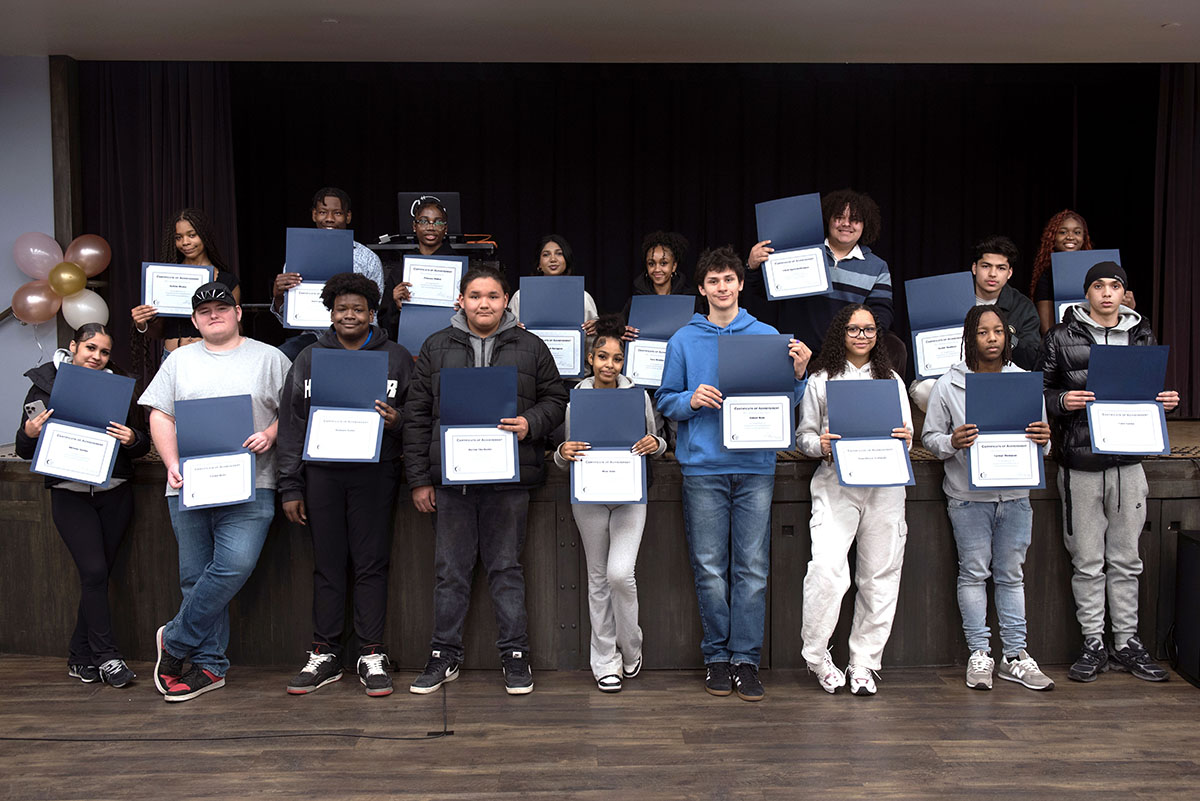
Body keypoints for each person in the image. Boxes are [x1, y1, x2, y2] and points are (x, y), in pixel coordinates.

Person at [656, 246, 811, 702]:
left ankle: (745, 659)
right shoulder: (683, 340)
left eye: (729, 280)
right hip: (703, 467)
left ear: (741, 284)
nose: (722, 288)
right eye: (714, 281)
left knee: (753, 568)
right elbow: (664, 399)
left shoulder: (767, 335)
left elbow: (786, 402)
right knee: (709, 569)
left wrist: (800, 373)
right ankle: (716, 658)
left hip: (755, 467)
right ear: (701, 288)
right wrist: (690, 400)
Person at [403, 266, 567, 695]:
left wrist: (530, 422)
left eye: (493, 296)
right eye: (475, 295)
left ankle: (515, 656)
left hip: (508, 482)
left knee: (506, 570)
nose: (484, 304)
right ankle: (443, 655)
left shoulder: (531, 347)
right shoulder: (436, 346)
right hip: (451, 484)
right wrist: (420, 480)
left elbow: (557, 399)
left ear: (506, 300)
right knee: (449, 573)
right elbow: (417, 417)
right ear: (461, 300)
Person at [138, 282, 291, 702]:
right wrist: (170, 463)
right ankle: (209, 666)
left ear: (239, 312)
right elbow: (160, 415)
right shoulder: (178, 361)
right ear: (193, 320)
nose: (213, 314)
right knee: (195, 577)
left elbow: (292, 411)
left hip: (253, 483)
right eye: (204, 310)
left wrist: (270, 434)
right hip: (187, 484)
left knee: (233, 565)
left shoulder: (270, 357)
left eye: (222, 307)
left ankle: (175, 638)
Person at [1039, 261, 1179, 683]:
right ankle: (1093, 642)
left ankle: (1127, 643)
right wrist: (1063, 401)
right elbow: (1039, 392)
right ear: (1086, 293)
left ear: (1124, 293)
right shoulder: (1061, 336)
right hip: (1080, 461)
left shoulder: (1141, 335)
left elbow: (1147, 392)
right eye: (1097, 286)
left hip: (1129, 463)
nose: (1105, 293)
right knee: (1087, 560)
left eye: (1114, 286)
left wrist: (1163, 402)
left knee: (1126, 559)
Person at [276, 272, 413, 697]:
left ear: (372, 313)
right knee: (328, 564)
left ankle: (371, 653)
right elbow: (293, 424)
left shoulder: (397, 357)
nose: (349, 315)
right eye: (341, 309)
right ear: (330, 313)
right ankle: (326, 652)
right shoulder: (310, 358)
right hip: (322, 475)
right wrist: (290, 486)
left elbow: (418, 415)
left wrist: (398, 421)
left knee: (372, 564)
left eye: (358, 309)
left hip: (376, 474)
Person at [922, 306, 1055, 691]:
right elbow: (931, 439)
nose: (992, 338)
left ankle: (1015, 655)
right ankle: (980, 654)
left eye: (999, 331)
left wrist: (1044, 441)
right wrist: (952, 441)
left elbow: (1042, 446)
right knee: (974, 573)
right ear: (970, 337)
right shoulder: (949, 383)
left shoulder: (1025, 382)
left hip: (1015, 495)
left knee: (1012, 576)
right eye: (983, 332)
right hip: (967, 496)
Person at [15, 324, 150, 688]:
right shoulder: (44, 384)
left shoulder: (122, 384)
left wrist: (133, 437)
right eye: (90, 348)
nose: (97, 356)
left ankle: (79, 656)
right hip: (69, 492)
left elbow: (142, 444)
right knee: (93, 572)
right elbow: (26, 448)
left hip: (115, 490)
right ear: (73, 346)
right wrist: (29, 433)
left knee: (99, 576)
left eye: (104, 352)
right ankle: (107, 657)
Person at [796, 304, 911, 696]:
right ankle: (817, 657)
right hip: (836, 483)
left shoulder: (891, 379)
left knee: (879, 576)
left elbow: (907, 435)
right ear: (839, 334)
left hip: (886, 486)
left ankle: (864, 662)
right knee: (827, 571)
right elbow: (805, 436)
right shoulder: (821, 379)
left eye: (869, 330)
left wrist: (903, 438)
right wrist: (820, 445)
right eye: (853, 329)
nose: (862, 336)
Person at [554, 314, 667, 692]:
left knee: (620, 574)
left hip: (630, 496)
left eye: (616, 359)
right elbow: (566, 452)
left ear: (624, 362)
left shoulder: (640, 396)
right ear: (590, 358)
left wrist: (657, 444)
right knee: (598, 579)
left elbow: (657, 442)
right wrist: (561, 452)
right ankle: (605, 661)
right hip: (589, 497)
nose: (609, 364)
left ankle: (631, 646)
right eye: (602, 356)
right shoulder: (577, 400)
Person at [746, 189, 894, 355]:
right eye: (839, 217)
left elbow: (881, 316)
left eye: (854, 219)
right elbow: (762, 291)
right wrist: (753, 266)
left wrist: (859, 346)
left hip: (846, 360)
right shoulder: (799, 252)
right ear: (828, 220)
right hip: (795, 354)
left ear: (865, 224)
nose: (846, 224)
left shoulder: (877, 267)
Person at [909, 234, 1042, 412]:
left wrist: (1004, 337)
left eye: (1001, 268)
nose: (993, 274)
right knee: (924, 389)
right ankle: (952, 435)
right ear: (974, 268)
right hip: (954, 375)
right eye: (986, 266)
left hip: (998, 378)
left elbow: (1032, 357)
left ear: (1009, 273)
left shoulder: (1022, 306)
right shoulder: (950, 294)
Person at [270, 188, 386, 361]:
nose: (329, 219)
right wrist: (278, 296)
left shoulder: (367, 258)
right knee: (278, 358)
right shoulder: (298, 257)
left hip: (359, 338)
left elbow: (373, 312)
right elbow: (288, 319)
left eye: (337, 213)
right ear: (314, 215)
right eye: (323, 212)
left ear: (348, 216)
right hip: (315, 338)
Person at [130, 209, 241, 355]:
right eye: (178, 237)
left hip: (211, 357)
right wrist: (142, 323)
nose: (185, 242)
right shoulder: (164, 278)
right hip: (172, 356)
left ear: (204, 236)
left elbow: (236, 329)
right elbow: (159, 333)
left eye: (192, 235)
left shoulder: (227, 281)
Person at [1028, 210, 1134, 335]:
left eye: (1077, 232)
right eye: (1063, 232)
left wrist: (1128, 307)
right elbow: (1047, 329)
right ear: (1052, 237)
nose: (1070, 237)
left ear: (1084, 237)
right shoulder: (1046, 276)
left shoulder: (1100, 270)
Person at [379, 196, 456, 339]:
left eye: (438, 222)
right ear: (414, 227)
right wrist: (395, 305)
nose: (431, 227)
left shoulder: (459, 268)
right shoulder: (401, 270)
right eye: (424, 221)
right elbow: (384, 323)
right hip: (410, 341)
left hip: (449, 343)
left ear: (445, 228)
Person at [508, 234, 600, 335]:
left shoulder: (582, 297)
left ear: (567, 260)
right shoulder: (521, 296)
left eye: (559, 254)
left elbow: (594, 335)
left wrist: (594, 328)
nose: (553, 259)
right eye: (546, 254)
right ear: (539, 264)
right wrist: (512, 328)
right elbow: (506, 327)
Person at [620, 230, 703, 338]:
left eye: (663, 263)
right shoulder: (636, 302)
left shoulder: (691, 300)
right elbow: (620, 330)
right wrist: (621, 332)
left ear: (674, 266)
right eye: (651, 264)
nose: (657, 269)